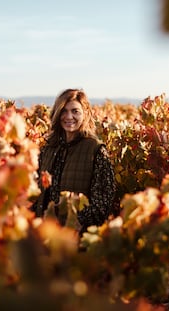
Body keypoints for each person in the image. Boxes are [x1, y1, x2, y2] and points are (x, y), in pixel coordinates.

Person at [32, 88, 116, 232]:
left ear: (85, 114)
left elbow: (103, 202)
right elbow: (37, 193)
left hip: (76, 239)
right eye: (64, 111)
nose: (69, 116)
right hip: (45, 234)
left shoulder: (95, 150)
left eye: (75, 111)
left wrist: (74, 223)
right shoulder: (48, 149)